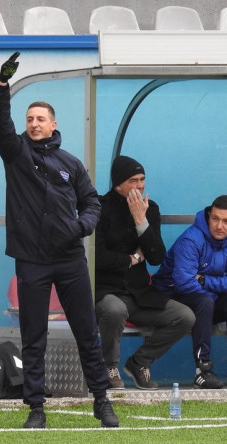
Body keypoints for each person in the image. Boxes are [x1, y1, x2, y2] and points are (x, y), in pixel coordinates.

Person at [0, 52, 118, 428]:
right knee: (35, 336)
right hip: (31, 260)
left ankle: (101, 400)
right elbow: (1, 127)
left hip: (69, 259)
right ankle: (36, 408)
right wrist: (1, 86)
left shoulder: (70, 163)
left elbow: (91, 202)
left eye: (40, 119)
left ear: (53, 124)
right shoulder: (15, 153)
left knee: (86, 332)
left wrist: (81, 227)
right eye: (29, 119)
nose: (33, 124)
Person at [95, 155, 195, 390]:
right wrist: (132, 259)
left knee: (184, 316)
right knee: (115, 309)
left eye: (142, 179)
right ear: (118, 184)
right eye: (133, 180)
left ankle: (140, 362)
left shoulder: (150, 209)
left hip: (139, 294)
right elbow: (97, 257)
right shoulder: (99, 207)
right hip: (105, 291)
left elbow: (157, 256)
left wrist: (141, 220)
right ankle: (109, 367)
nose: (140, 185)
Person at [152, 195, 227, 389]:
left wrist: (204, 280)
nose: (219, 226)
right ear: (209, 216)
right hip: (172, 297)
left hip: (206, 296)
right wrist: (214, 293)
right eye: (215, 218)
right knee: (205, 302)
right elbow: (184, 283)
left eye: (226, 221)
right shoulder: (191, 239)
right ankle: (202, 371)